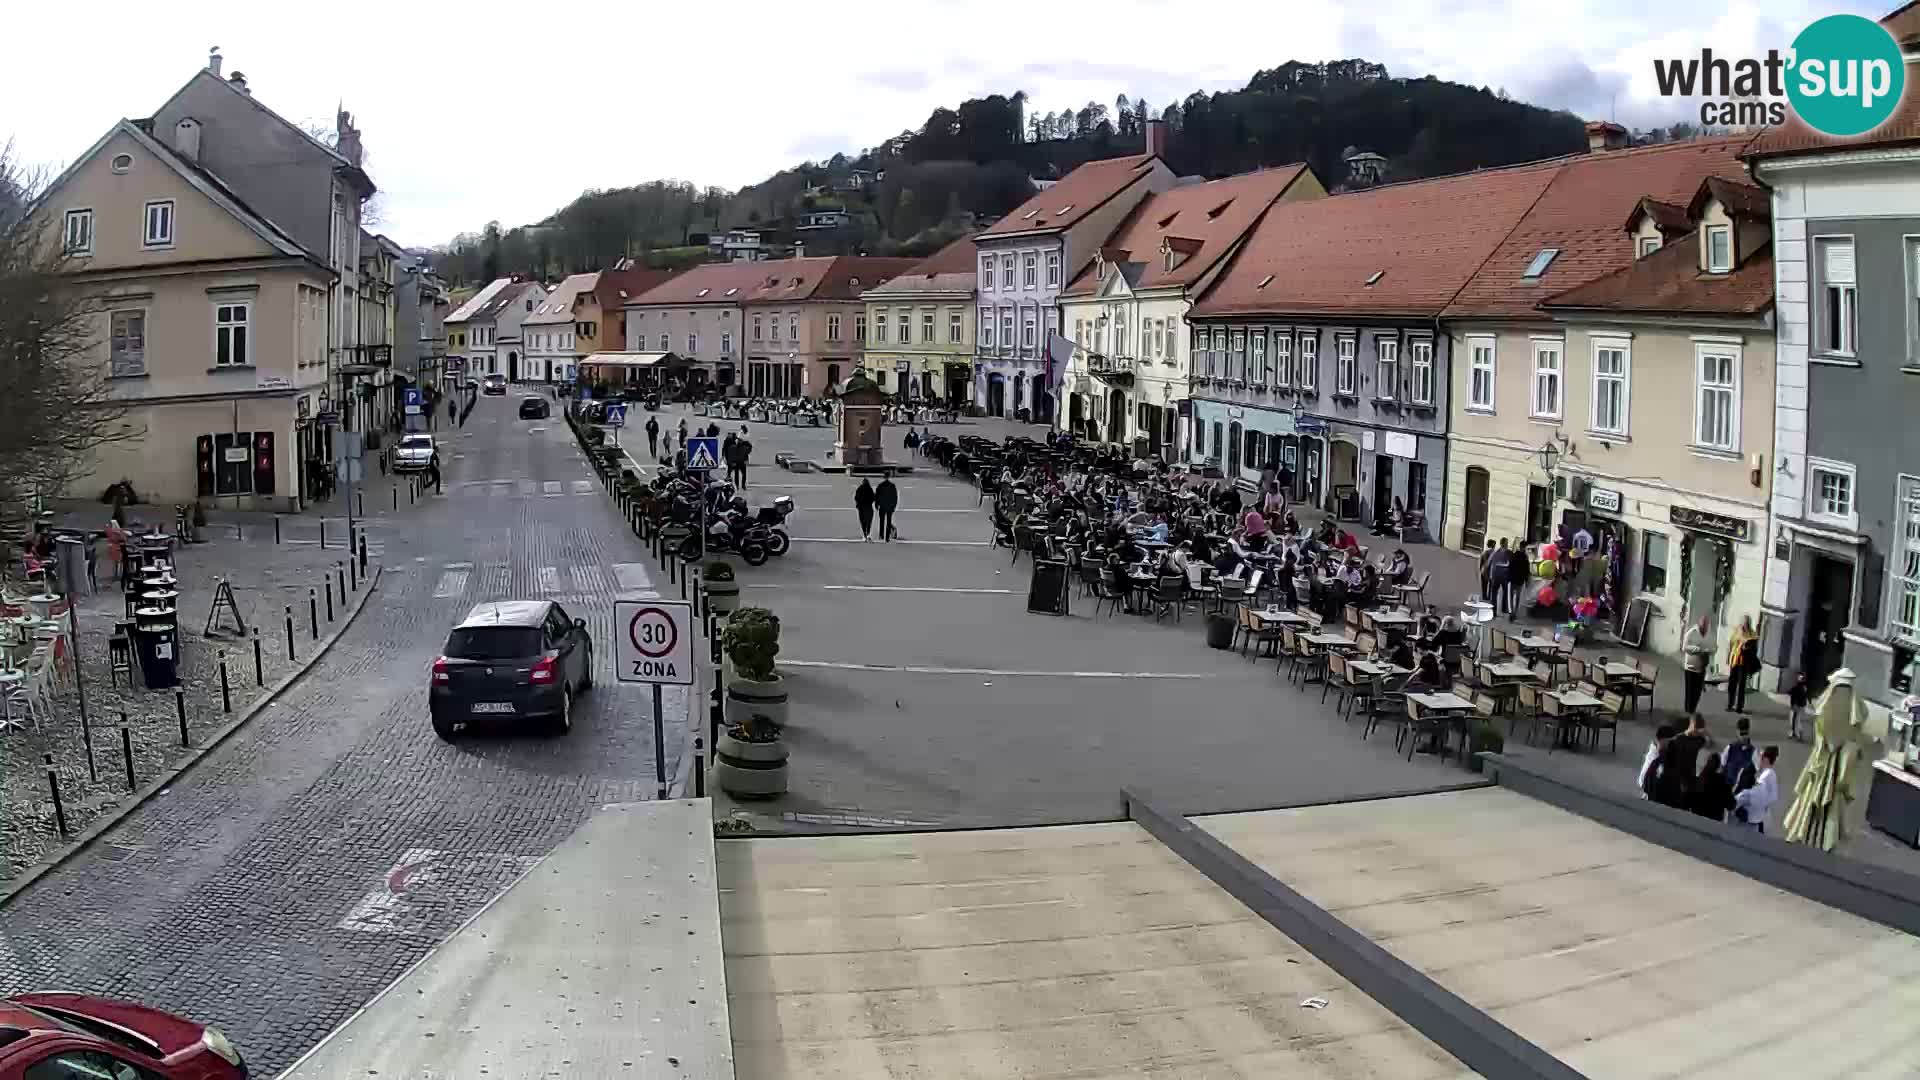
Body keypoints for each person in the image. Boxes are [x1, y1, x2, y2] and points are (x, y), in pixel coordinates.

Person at [1732, 746, 1780, 833]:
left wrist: (1741, 797)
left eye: (1761, 757)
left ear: (1765, 759)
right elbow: (1772, 796)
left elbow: (1755, 794)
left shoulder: (1766, 775)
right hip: (1759, 816)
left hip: (1753, 818)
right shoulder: (1770, 774)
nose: (1759, 761)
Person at [1726, 615, 1759, 713]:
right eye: (1743, 622)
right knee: (1732, 683)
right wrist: (1728, 657)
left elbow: (1754, 648)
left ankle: (1739, 707)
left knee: (1741, 685)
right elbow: (1731, 644)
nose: (1744, 624)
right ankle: (1730, 704)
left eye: (1746, 622)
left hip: (1744, 662)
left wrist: (1747, 647)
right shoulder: (1737, 631)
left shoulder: (1752, 633)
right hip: (1734, 660)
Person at [1682, 615, 1713, 715]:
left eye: (1706, 624)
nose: (1704, 626)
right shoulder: (1692, 633)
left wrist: (1709, 650)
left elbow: (1714, 646)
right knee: (1690, 691)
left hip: (1702, 667)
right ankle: (1688, 711)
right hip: (1691, 668)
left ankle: (1692, 709)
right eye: (1703, 623)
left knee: (1698, 692)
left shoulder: (1709, 634)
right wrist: (1698, 649)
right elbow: (1685, 647)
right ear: (1699, 622)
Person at [1691, 751, 1734, 822]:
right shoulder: (1722, 782)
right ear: (1718, 766)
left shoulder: (1699, 780)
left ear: (1706, 762)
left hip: (1696, 819)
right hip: (1713, 822)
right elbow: (1731, 805)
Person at [1640, 724, 1676, 800]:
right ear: (1663, 740)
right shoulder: (1654, 758)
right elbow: (1643, 781)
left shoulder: (1664, 753)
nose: (1673, 744)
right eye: (1671, 741)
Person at [1722, 716, 1756, 788]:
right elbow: (1723, 767)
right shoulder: (1729, 748)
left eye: (1745, 733)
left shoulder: (1754, 753)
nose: (1743, 737)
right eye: (1742, 734)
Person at [1506, 538, 1531, 623]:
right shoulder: (1525, 557)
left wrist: (1508, 578)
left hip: (1513, 579)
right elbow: (1527, 570)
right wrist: (1527, 581)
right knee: (1517, 598)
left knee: (1511, 597)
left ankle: (1511, 613)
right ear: (1523, 547)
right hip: (1519, 580)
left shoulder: (1514, 555)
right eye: (1526, 548)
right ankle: (1514, 613)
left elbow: (1510, 567)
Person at [1487, 540, 1512, 614]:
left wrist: (1490, 575)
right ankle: (1504, 609)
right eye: (1507, 543)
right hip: (1504, 577)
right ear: (1505, 544)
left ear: (1500, 544)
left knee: (1494, 594)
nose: (1507, 545)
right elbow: (1512, 564)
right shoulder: (1509, 553)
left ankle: (1493, 611)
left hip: (1496, 576)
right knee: (1505, 593)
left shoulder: (1494, 553)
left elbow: (1488, 564)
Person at [875, 472, 899, 542]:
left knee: (881, 521)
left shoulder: (880, 485)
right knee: (889, 522)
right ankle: (887, 537)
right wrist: (894, 506)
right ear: (889, 477)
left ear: (883, 477)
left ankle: (881, 535)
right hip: (889, 507)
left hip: (882, 506)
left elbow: (877, 496)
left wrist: (877, 504)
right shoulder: (892, 486)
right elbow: (895, 497)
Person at [1788, 670, 1810, 741]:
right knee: (1794, 720)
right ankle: (1794, 733)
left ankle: (1800, 736)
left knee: (1797, 720)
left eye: (1799, 676)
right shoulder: (1799, 686)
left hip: (1798, 706)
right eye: (1797, 676)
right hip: (1797, 705)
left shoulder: (1801, 686)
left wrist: (1792, 691)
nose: (1797, 677)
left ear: (1802, 677)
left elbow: (1800, 695)